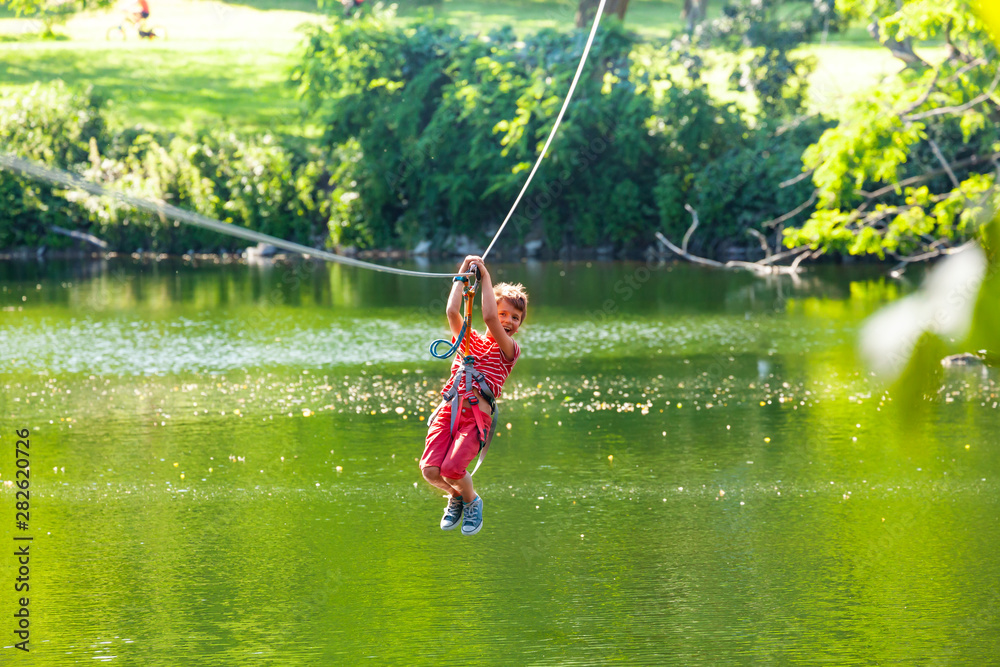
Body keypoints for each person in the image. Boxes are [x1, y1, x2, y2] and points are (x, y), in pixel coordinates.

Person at [419, 255, 527, 536]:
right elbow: (452, 312)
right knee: (431, 471)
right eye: (504, 314)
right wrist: (463, 275)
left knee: (453, 469)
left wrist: (486, 277)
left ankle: (471, 500)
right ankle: (456, 496)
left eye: (515, 318)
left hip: (475, 418)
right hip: (449, 411)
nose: (508, 321)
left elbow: (489, 317)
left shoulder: (509, 351)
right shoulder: (468, 340)